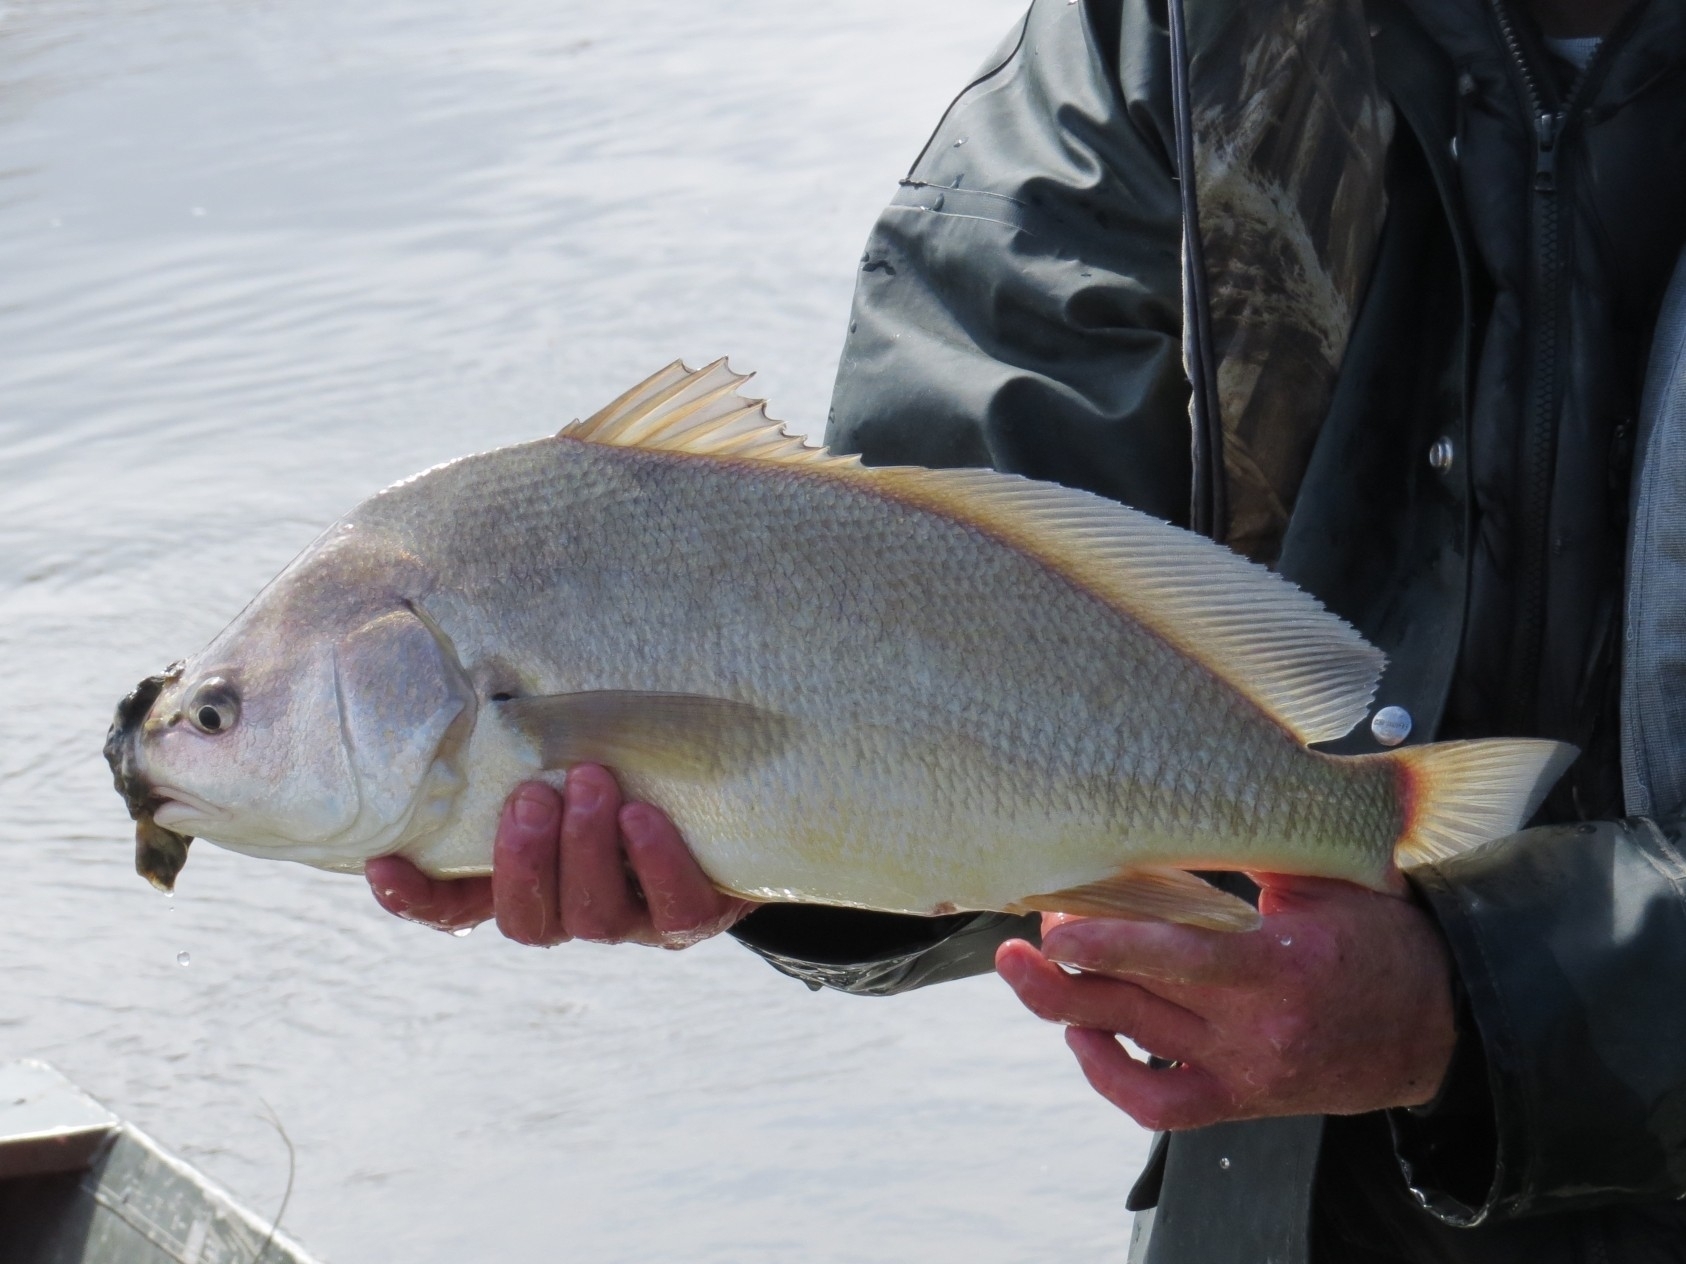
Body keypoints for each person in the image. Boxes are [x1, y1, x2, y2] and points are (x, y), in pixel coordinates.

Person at [367, 0, 1686, 1257]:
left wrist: (1476, 1003)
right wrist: (756, 849)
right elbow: (931, 647)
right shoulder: (1155, 37)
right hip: (1280, 1208)